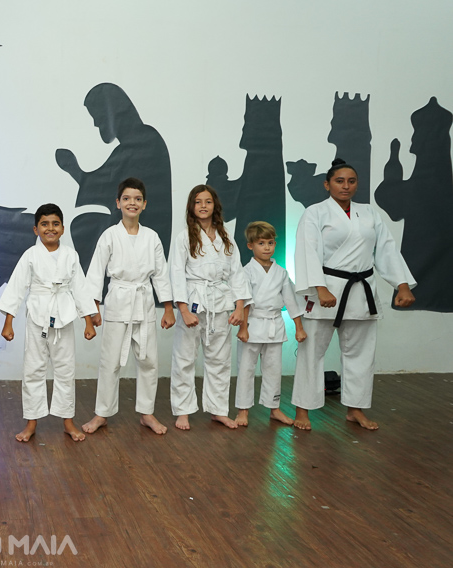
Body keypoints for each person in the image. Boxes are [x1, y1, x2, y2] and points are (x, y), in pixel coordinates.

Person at [292, 159, 415, 430]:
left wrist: (402, 284)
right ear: (327, 185)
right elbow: (307, 250)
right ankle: (302, 409)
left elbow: (386, 249)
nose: (346, 186)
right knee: (311, 352)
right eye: (339, 181)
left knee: (361, 354)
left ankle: (355, 409)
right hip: (327, 289)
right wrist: (320, 288)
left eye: (351, 181)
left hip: (361, 291)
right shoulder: (315, 213)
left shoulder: (369, 213)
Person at [82, 177, 176, 436]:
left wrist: (168, 308)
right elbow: (95, 272)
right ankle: (102, 413)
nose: (131, 203)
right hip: (118, 301)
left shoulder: (151, 237)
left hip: (143, 301)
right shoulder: (109, 235)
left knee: (149, 360)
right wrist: (93, 309)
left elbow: (161, 273)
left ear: (144, 204)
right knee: (110, 361)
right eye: (126, 198)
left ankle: (147, 413)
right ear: (118, 203)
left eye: (137, 199)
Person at [0, 204, 97, 442]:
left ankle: (68, 421)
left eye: (55, 224)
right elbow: (16, 288)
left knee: (65, 370)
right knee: (33, 369)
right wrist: (8, 322)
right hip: (37, 317)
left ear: (62, 228)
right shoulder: (30, 255)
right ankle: (31, 422)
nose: (50, 228)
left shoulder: (70, 255)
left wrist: (88, 321)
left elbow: (80, 289)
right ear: (36, 229)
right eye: (44, 224)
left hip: (64, 316)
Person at [170, 185, 251, 430]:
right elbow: (176, 274)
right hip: (193, 300)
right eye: (198, 202)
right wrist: (184, 310)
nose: (203, 206)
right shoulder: (184, 237)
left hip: (220, 302)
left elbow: (237, 273)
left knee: (220, 359)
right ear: (191, 207)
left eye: (207, 201)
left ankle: (218, 410)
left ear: (215, 205)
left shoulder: (226, 237)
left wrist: (239, 307)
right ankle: (183, 411)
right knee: (184, 358)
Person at [234, 221, 306, 427]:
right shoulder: (246, 271)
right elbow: (245, 301)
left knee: (273, 369)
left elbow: (291, 301)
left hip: (274, 324)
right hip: (252, 323)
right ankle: (243, 410)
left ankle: (274, 408)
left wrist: (299, 328)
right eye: (261, 243)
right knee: (246, 369)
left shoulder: (281, 272)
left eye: (270, 243)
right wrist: (243, 328)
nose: (266, 247)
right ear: (250, 246)